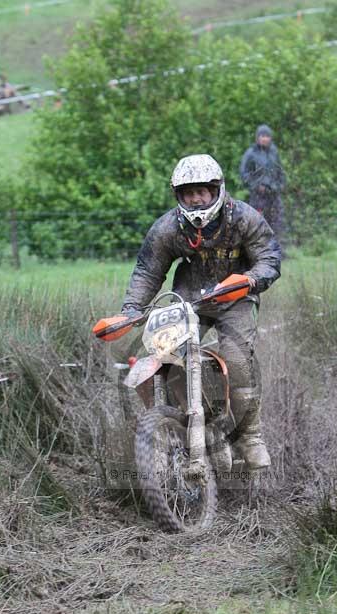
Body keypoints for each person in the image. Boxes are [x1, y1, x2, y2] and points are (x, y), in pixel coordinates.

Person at [120, 154, 282, 470]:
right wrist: (131, 310)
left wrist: (249, 280)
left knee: (236, 358)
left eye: (201, 192)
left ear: (215, 190)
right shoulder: (168, 228)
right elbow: (147, 270)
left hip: (236, 296)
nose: (195, 199)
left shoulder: (244, 218)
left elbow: (270, 259)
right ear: (178, 195)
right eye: (188, 192)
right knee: (167, 356)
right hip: (189, 299)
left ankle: (250, 436)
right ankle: (205, 425)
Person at [240, 124, 286, 239]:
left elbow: (280, 171)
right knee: (256, 222)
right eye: (262, 136)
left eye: (267, 136)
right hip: (258, 195)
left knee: (276, 222)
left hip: (273, 194)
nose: (265, 139)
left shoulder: (274, 152)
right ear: (257, 138)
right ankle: (257, 250)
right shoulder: (251, 153)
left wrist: (280, 185)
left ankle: (276, 249)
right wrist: (256, 185)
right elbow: (244, 173)